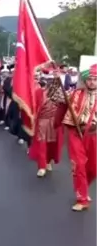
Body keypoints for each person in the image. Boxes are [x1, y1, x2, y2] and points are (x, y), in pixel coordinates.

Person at [51, 64, 97, 211]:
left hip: (94, 135)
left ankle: (83, 188)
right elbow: (55, 97)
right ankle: (82, 198)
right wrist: (56, 80)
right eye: (89, 79)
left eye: (95, 79)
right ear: (84, 80)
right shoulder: (75, 93)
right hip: (76, 133)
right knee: (79, 166)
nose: (91, 82)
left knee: (93, 168)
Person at [29, 70, 63, 178]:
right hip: (42, 121)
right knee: (41, 143)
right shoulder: (38, 92)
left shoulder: (60, 93)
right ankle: (41, 166)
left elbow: (65, 107)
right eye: (48, 80)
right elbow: (33, 106)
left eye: (52, 80)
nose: (50, 82)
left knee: (52, 143)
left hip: (54, 121)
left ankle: (48, 161)